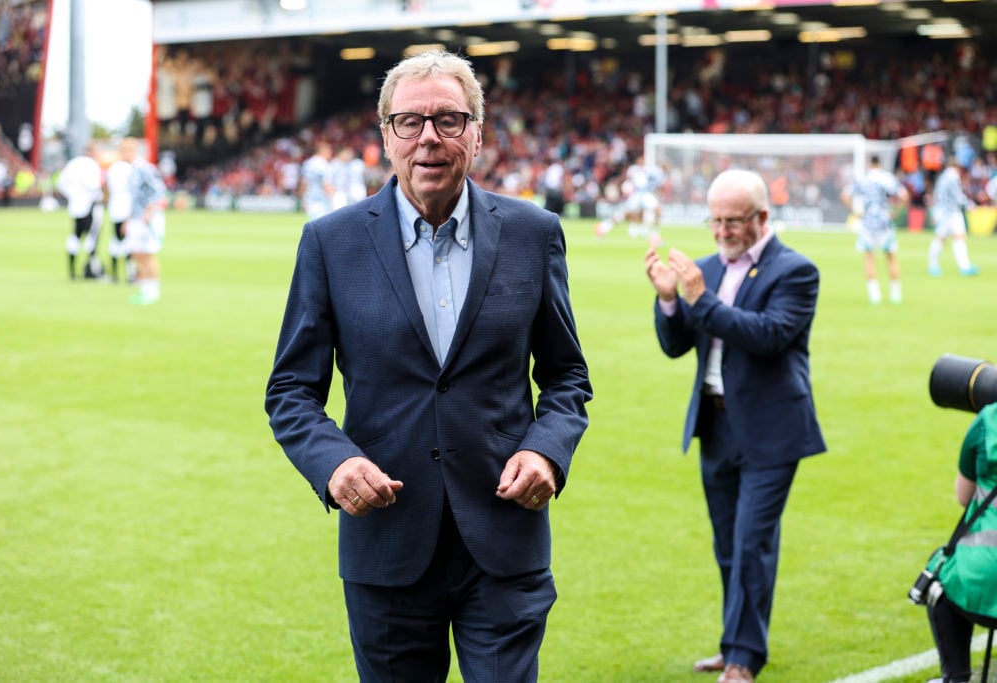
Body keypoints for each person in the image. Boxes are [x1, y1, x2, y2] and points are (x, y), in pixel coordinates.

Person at [264, 50, 592, 682]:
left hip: (503, 536)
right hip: (385, 540)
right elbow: (291, 390)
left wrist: (547, 451)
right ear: (386, 136)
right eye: (409, 123)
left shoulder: (533, 232)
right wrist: (335, 464)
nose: (429, 139)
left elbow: (566, 375)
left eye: (448, 119)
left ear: (477, 131)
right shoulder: (331, 242)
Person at [643, 168, 826, 683]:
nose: (722, 231)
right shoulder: (703, 269)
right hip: (716, 426)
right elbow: (677, 345)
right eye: (715, 220)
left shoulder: (795, 271)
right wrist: (670, 300)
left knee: (751, 544)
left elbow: (767, 335)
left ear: (762, 218)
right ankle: (734, 644)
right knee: (727, 545)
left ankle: (745, 658)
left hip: (772, 430)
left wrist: (701, 300)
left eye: (733, 221)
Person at [924, 402, 997, 683]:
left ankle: (956, 677)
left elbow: (963, 496)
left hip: (981, 578)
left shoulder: (989, 419)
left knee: (939, 579)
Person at [840, 154, 909, 305]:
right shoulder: (888, 178)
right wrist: (895, 212)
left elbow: (845, 195)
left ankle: (874, 295)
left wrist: (855, 213)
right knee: (891, 257)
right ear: (881, 164)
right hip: (885, 222)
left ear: (869, 164)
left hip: (868, 222)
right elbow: (904, 196)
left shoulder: (863, 178)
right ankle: (895, 295)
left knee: (869, 258)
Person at [120, 138, 168, 305]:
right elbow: (134, 198)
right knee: (136, 253)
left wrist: (149, 212)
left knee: (147, 254)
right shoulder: (133, 170)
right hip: (136, 218)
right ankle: (145, 288)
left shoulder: (146, 169)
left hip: (147, 220)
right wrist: (128, 220)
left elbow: (160, 192)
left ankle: (152, 291)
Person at [55, 144, 104, 280]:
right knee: (92, 236)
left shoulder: (72, 163)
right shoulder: (91, 165)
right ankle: (90, 269)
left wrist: (73, 195)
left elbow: (61, 183)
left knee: (75, 236)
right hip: (90, 206)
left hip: (75, 206)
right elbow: (93, 185)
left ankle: (72, 271)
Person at [929, 155, 979, 277]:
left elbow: (937, 195)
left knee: (949, 238)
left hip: (945, 212)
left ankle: (962, 266)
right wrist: (969, 205)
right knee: (948, 238)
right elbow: (958, 196)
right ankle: (936, 265)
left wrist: (936, 211)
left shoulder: (943, 177)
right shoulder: (952, 177)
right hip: (950, 213)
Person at [104, 139, 136, 283]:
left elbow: (107, 188)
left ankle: (115, 274)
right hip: (128, 208)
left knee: (116, 240)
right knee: (129, 241)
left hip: (115, 207)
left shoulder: (113, 168)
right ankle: (129, 274)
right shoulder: (130, 168)